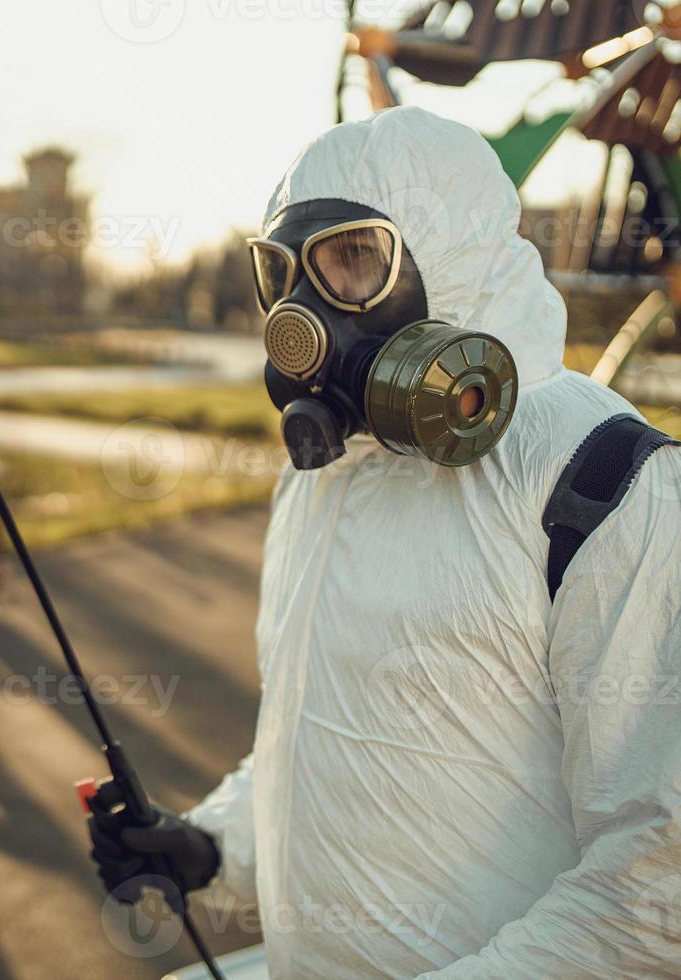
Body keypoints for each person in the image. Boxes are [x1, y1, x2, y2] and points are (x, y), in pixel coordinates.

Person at [88, 106, 681, 977]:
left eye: (350, 261)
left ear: (456, 260)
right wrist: (212, 852)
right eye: (283, 273)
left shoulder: (599, 475)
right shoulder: (325, 472)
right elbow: (315, 734)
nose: (299, 320)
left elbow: (659, 876)